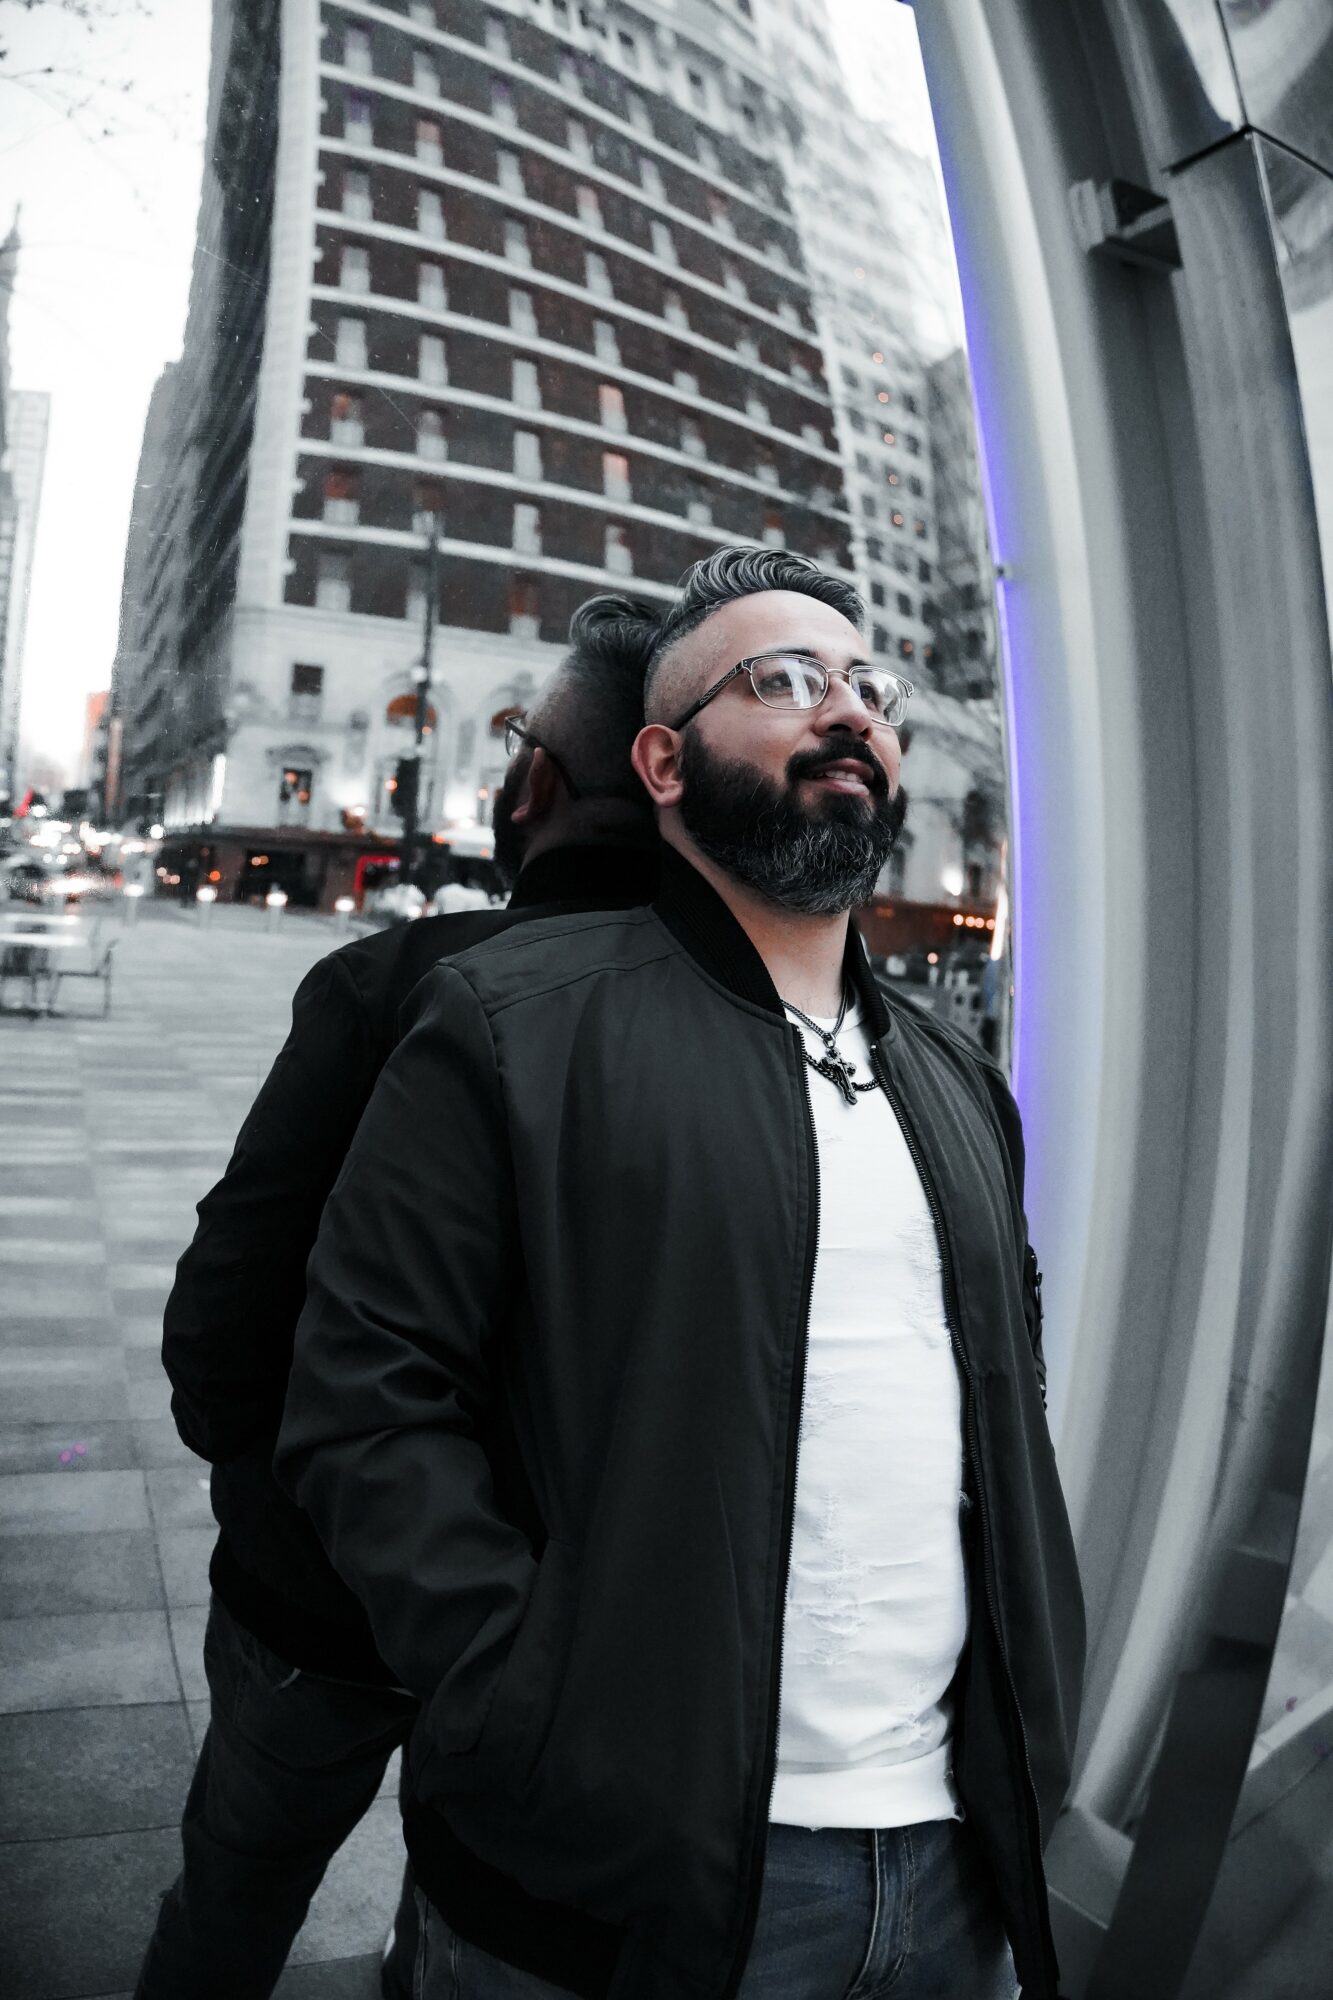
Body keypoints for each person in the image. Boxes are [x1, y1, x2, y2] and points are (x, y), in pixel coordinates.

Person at [277, 547, 1085, 2000]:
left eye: (869, 687)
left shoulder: (959, 1079)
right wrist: (531, 1703)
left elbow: (1001, 1397)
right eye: (782, 680)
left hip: (952, 1859)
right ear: (662, 762)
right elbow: (364, 1403)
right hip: (619, 1875)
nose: (847, 710)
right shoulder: (510, 1026)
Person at [133, 593, 665, 2000]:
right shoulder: (738, 1039)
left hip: (312, 1606)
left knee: (234, 1895)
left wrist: (266, 1490)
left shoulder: (389, 983)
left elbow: (224, 1307)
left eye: (518, 738)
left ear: (534, 785)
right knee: (462, 1928)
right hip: (560, 1641)